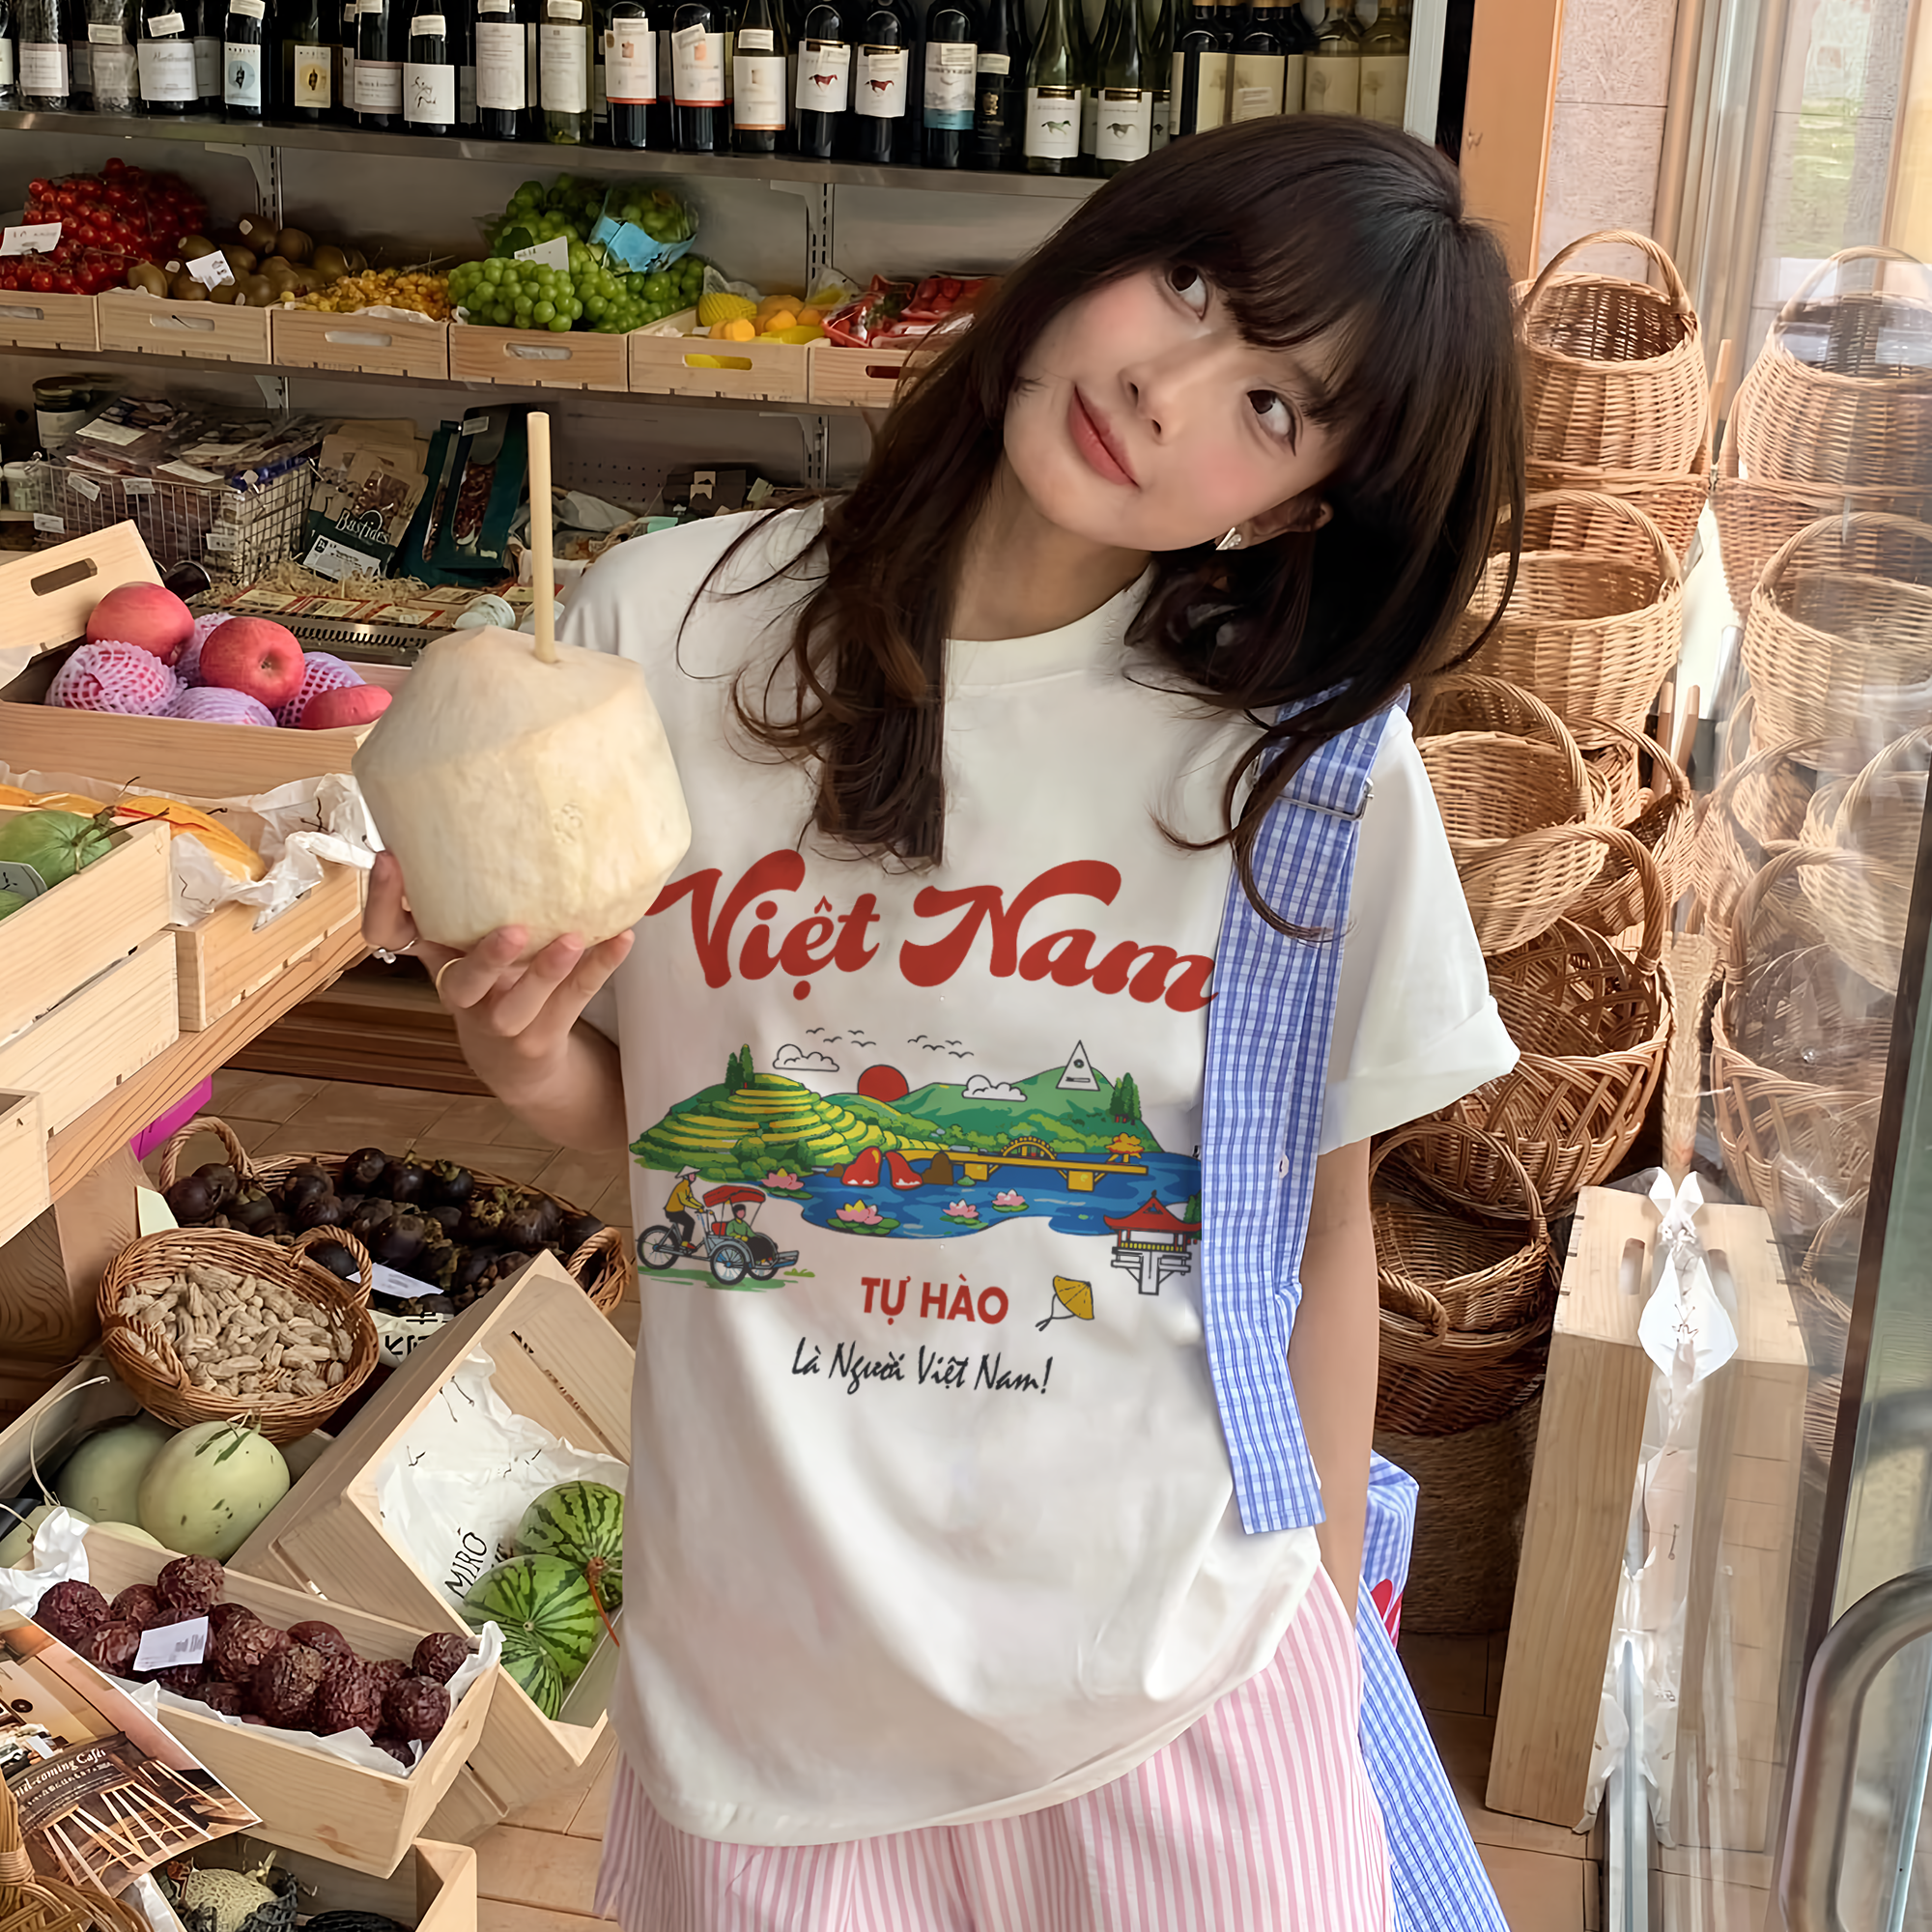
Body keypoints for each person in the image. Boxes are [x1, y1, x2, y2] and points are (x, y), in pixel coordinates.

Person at [368, 116, 1524, 1931]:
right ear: (1106, 247)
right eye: (1194, 286)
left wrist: (1308, 1624)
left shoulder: (1304, 776)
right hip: (772, 1704)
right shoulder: (661, 632)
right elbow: (671, 1124)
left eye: (1272, 404)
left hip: (1168, 1690)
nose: (1163, 390)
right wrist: (516, 1047)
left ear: (1298, 504)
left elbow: (1316, 1232)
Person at [663, 1165, 701, 1251]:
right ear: (686, 1176)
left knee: (689, 1222)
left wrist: (700, 1205)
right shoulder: (682, 1186)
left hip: (678, 1211)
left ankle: (683, 1242)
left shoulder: (687, 1186)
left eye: (694, 1174)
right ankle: (685, 1243)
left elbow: (691, 1198)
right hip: (672, 1211)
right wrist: (697, 1207)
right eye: (692, 1174)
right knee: (690, 1222)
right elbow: (684, 1201)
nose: (694, 1176)